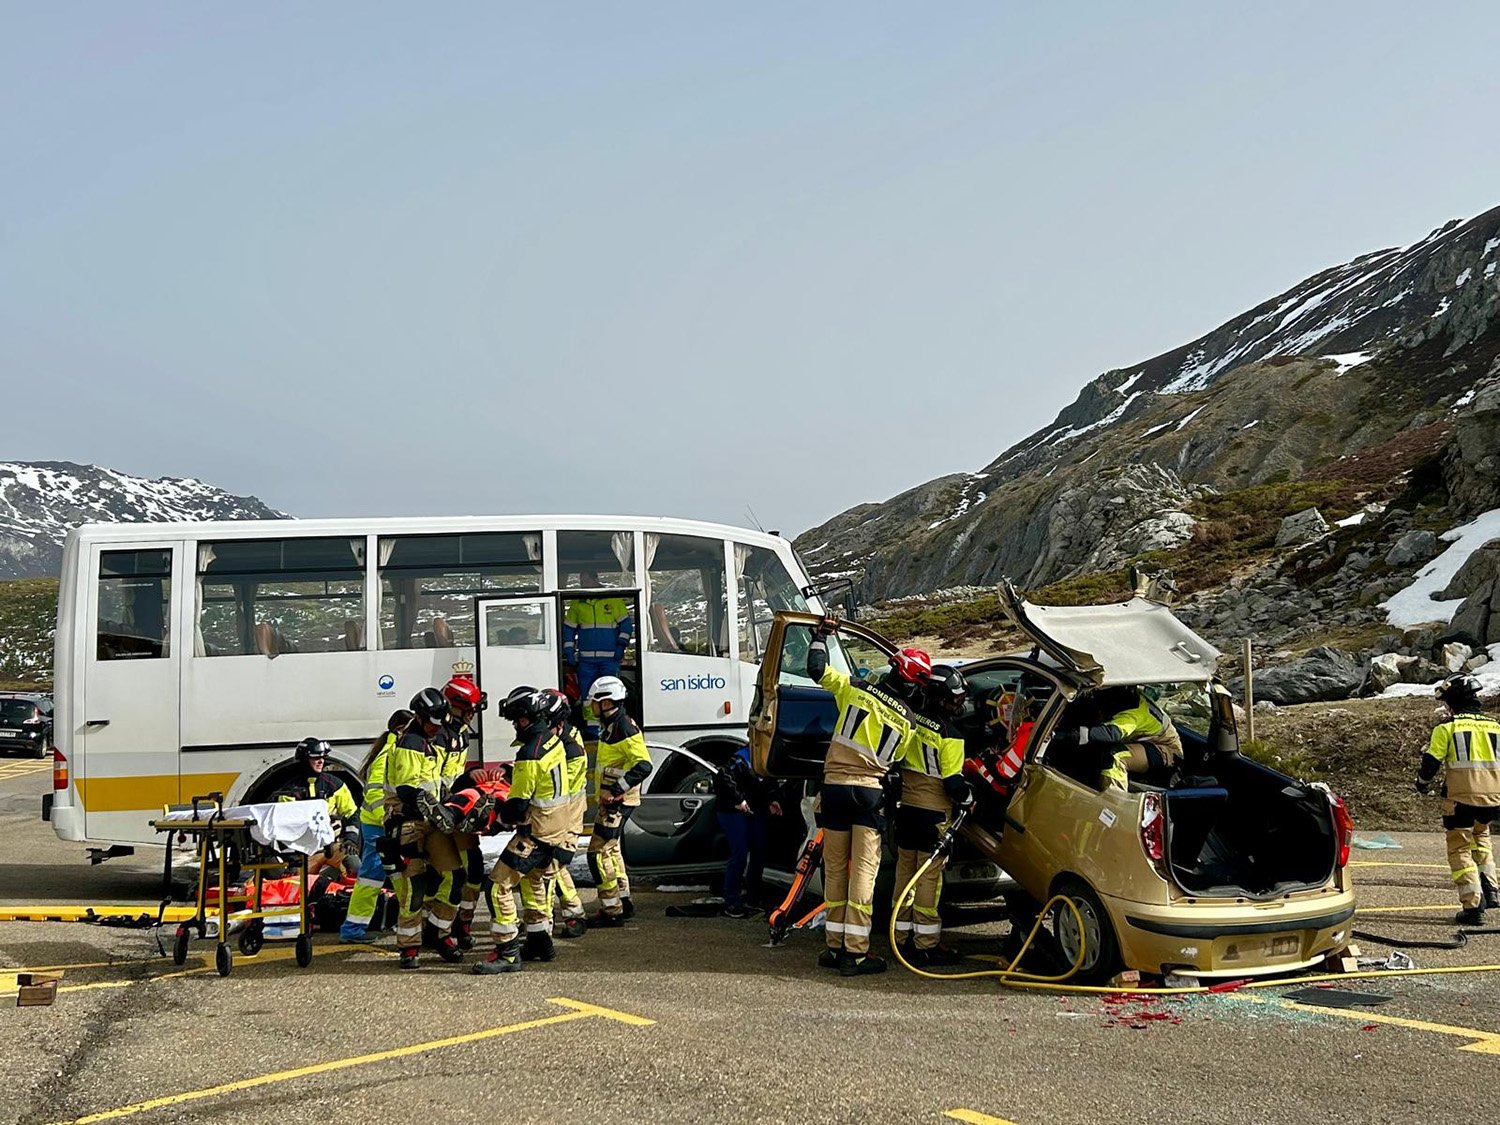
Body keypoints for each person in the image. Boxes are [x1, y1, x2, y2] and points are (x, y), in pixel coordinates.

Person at [807, 619, 928, 976]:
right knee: (863, 871)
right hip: (869, 793)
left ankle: (833, 946)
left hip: (833, 790)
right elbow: (898, 762)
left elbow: (815, 670)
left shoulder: (856, 689)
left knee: (834, 868)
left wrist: (820, 637)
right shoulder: (907, 720)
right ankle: (856, 953)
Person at [473, 688, 574, 975]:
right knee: (532, 880)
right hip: (556, 828)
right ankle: (540, 940)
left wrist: (495, 824)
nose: (514, 725)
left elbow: (517, 805)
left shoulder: (530, 753)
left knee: (497, 885)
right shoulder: (553, 742)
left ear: (526, 719)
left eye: (515, 720)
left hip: (536, 832)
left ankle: (507, 952)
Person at [892, 665, 974, 967]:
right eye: (955, 698)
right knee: (928, 879)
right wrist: (969, 796)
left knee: (905, 874)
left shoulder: (910, 719)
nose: (959, 704)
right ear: (941, 698)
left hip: (906, 809)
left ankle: (899, 938)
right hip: (934, 813)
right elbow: (953, 784)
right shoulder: (950, 735)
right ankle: (926, 943)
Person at [387, 688, 465, 969]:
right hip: (409, 823)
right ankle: (409, 948)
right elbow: (407, 789)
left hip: (432, 821)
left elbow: (439, 783)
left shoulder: (429, 741)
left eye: (439, 721)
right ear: (419, 717)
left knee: (456, 878)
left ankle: (439, 931)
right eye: (432, 721)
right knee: (415, 888)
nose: (437, 726)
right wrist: (433, 807)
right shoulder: (410, 742)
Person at [1416, 674, 1500, 924]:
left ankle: (1473, 907)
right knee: (1481, 838)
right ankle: (1491, 891)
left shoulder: (1447, 728)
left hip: (1460, 799)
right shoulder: (1496, 727)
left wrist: (1422, 784)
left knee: (1460, 847)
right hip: (1493, 798)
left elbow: (1430, 762)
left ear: (1453, 703)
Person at [585, 675, 653, 926]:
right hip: (614, 801)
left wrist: (616, 789)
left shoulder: (622, 726)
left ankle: (611, 909)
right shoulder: (613, 724)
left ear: (606, 702)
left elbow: (644, 765)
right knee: (612, 850)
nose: (591, 707)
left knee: (597, 854)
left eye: (595, 702)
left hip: (616, 802)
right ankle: (623, 901)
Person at [340, 709, 411, 944]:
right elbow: (375, 792)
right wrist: (388, 819)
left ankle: (353, 930)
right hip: (381, 826)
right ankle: (411, 923)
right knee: (401, 876)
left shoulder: (387, 749)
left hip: (375, 825)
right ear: (401, 729)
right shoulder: (391, 751)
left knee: (371, 877)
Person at [436, 677, 488, 950]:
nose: (472, 715)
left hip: (457, 809)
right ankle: (438, 928)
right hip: (441, 813)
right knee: (446, 876)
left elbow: (454, 775)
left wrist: (470, 778)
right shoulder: (439, 736)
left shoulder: (461, 734)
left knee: (475, 870)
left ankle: (463, 924)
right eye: (468, 710)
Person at [1050, 685, 1182, 790]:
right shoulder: (1126, 697)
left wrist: (1067, 736)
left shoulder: (1132, 715)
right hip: (1144, 740)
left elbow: (1110, 733)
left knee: (1116, 756)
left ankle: (1114, 801)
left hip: (1165, 751)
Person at [713, 744, 785, 918]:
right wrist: (738, 800)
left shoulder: (767, 757)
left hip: (754, 808)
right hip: (732, 809)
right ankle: (731, 901)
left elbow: (768, 784)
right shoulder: (740, 758)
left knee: (759, 851)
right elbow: (724, 779)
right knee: (739, 852)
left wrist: (772, 800)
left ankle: (754, 897)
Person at [540, 687, 589, 938]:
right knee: (553, 865)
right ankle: (572, 913)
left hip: (567, 814)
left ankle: (550, 920)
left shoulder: (569, 749)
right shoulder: (564, 735)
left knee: (553, 864)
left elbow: (557, 787)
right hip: (561, 812)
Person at [278, 737, 359, 876]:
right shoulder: (291, 790)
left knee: (355, 868)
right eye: (316, 758)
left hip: (334, 847)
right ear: (304, 761)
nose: (321, 761)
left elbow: (352, 814)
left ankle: (346, 897)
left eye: (322, 757)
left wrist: (351, 839)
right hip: (304, 851)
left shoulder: (335, 784)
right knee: (297, 886)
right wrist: (291, 858)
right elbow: (285, 827)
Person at [563, 573, 634, 701]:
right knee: (587, 695)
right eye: (581, 581)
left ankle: (611, 720)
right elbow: (569, 628)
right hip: (586, 660)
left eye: (586, 581)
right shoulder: (577, 603)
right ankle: (590, 721)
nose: (583, 584)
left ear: (596, 579)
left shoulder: (612, 599)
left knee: (612, 694)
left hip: (610, 659)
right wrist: (568, 650)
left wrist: (621, 645)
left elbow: (626, 625)